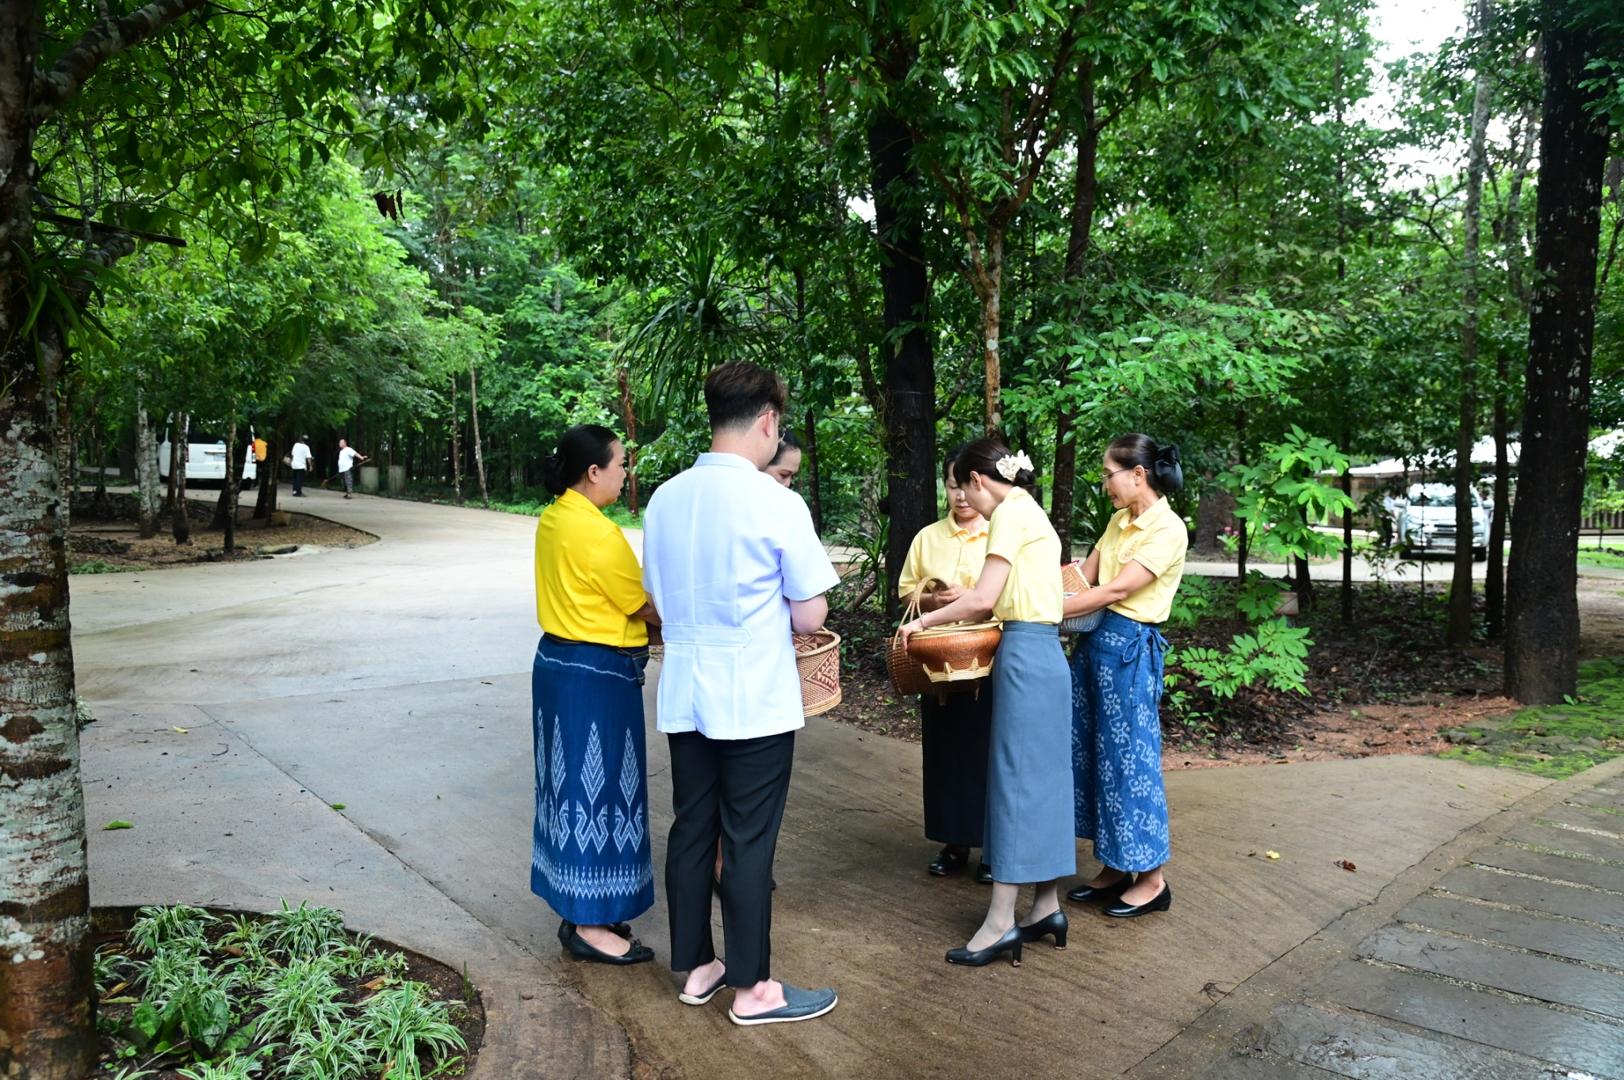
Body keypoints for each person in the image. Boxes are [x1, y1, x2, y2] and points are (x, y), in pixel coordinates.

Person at [642, 362, 841, 1025]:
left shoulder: (665, 499)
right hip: (753, 695)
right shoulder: (776, 503)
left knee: (693, 827)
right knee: (749, 839)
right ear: (767, 421)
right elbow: (810, 615)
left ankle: (698, 967)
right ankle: (754, 989)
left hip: (686, 691)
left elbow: (658, 597)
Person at [900, 437, 1074, 968]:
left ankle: (1000, 922)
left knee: (1013, 783)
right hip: (1048, 654)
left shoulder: (1008, 515)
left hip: (1022, 651)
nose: (962, 499)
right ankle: (1046, 906)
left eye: (963, 486)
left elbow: (982, 598)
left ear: (977, 480)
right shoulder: (1032, 510)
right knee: (1044, 781)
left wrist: (921, 623)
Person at [530, 424, 662, 965]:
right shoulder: (599, 535)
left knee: (567, 789)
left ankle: (582, 907)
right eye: (621, 464)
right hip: (597, 674)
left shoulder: (554, 518)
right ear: (594, 471)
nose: (625, 473)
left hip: (557, 666)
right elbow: (645, 608)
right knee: (600, 790)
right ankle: (589, 924)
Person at [1061, 434, 1187, 919]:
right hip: (1094, 647)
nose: (1105, 484)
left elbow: (1115, 590)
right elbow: (1086, 575)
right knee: (1094, 755)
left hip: (1130, 651)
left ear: (1138, 474)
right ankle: (1116, 867)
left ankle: (1152, 880)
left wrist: (1049, 609)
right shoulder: (1118, 521)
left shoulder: (1168, 528)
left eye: (1108, 474)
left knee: (1131, 761)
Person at [897, 449, 993, 883]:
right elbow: (906, 593)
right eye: (952, 487)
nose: (960, 496)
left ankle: (993, 846)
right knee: (945, 750)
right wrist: (935, 601)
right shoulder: (927, 537)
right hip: (936, 662)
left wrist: (972, 599)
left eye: (966, 487)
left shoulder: (999, 534)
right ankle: (954, 842)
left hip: (988, 658)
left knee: (987, 751)